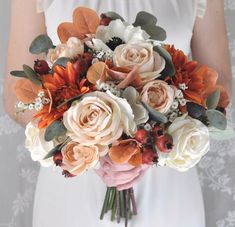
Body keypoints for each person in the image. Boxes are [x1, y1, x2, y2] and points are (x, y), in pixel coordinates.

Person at [4, 0, 232, 226]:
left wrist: (143, 151)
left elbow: (220, 88)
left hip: (167, 182)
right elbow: (16, 95)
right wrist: (94, 145)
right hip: (72, 185)